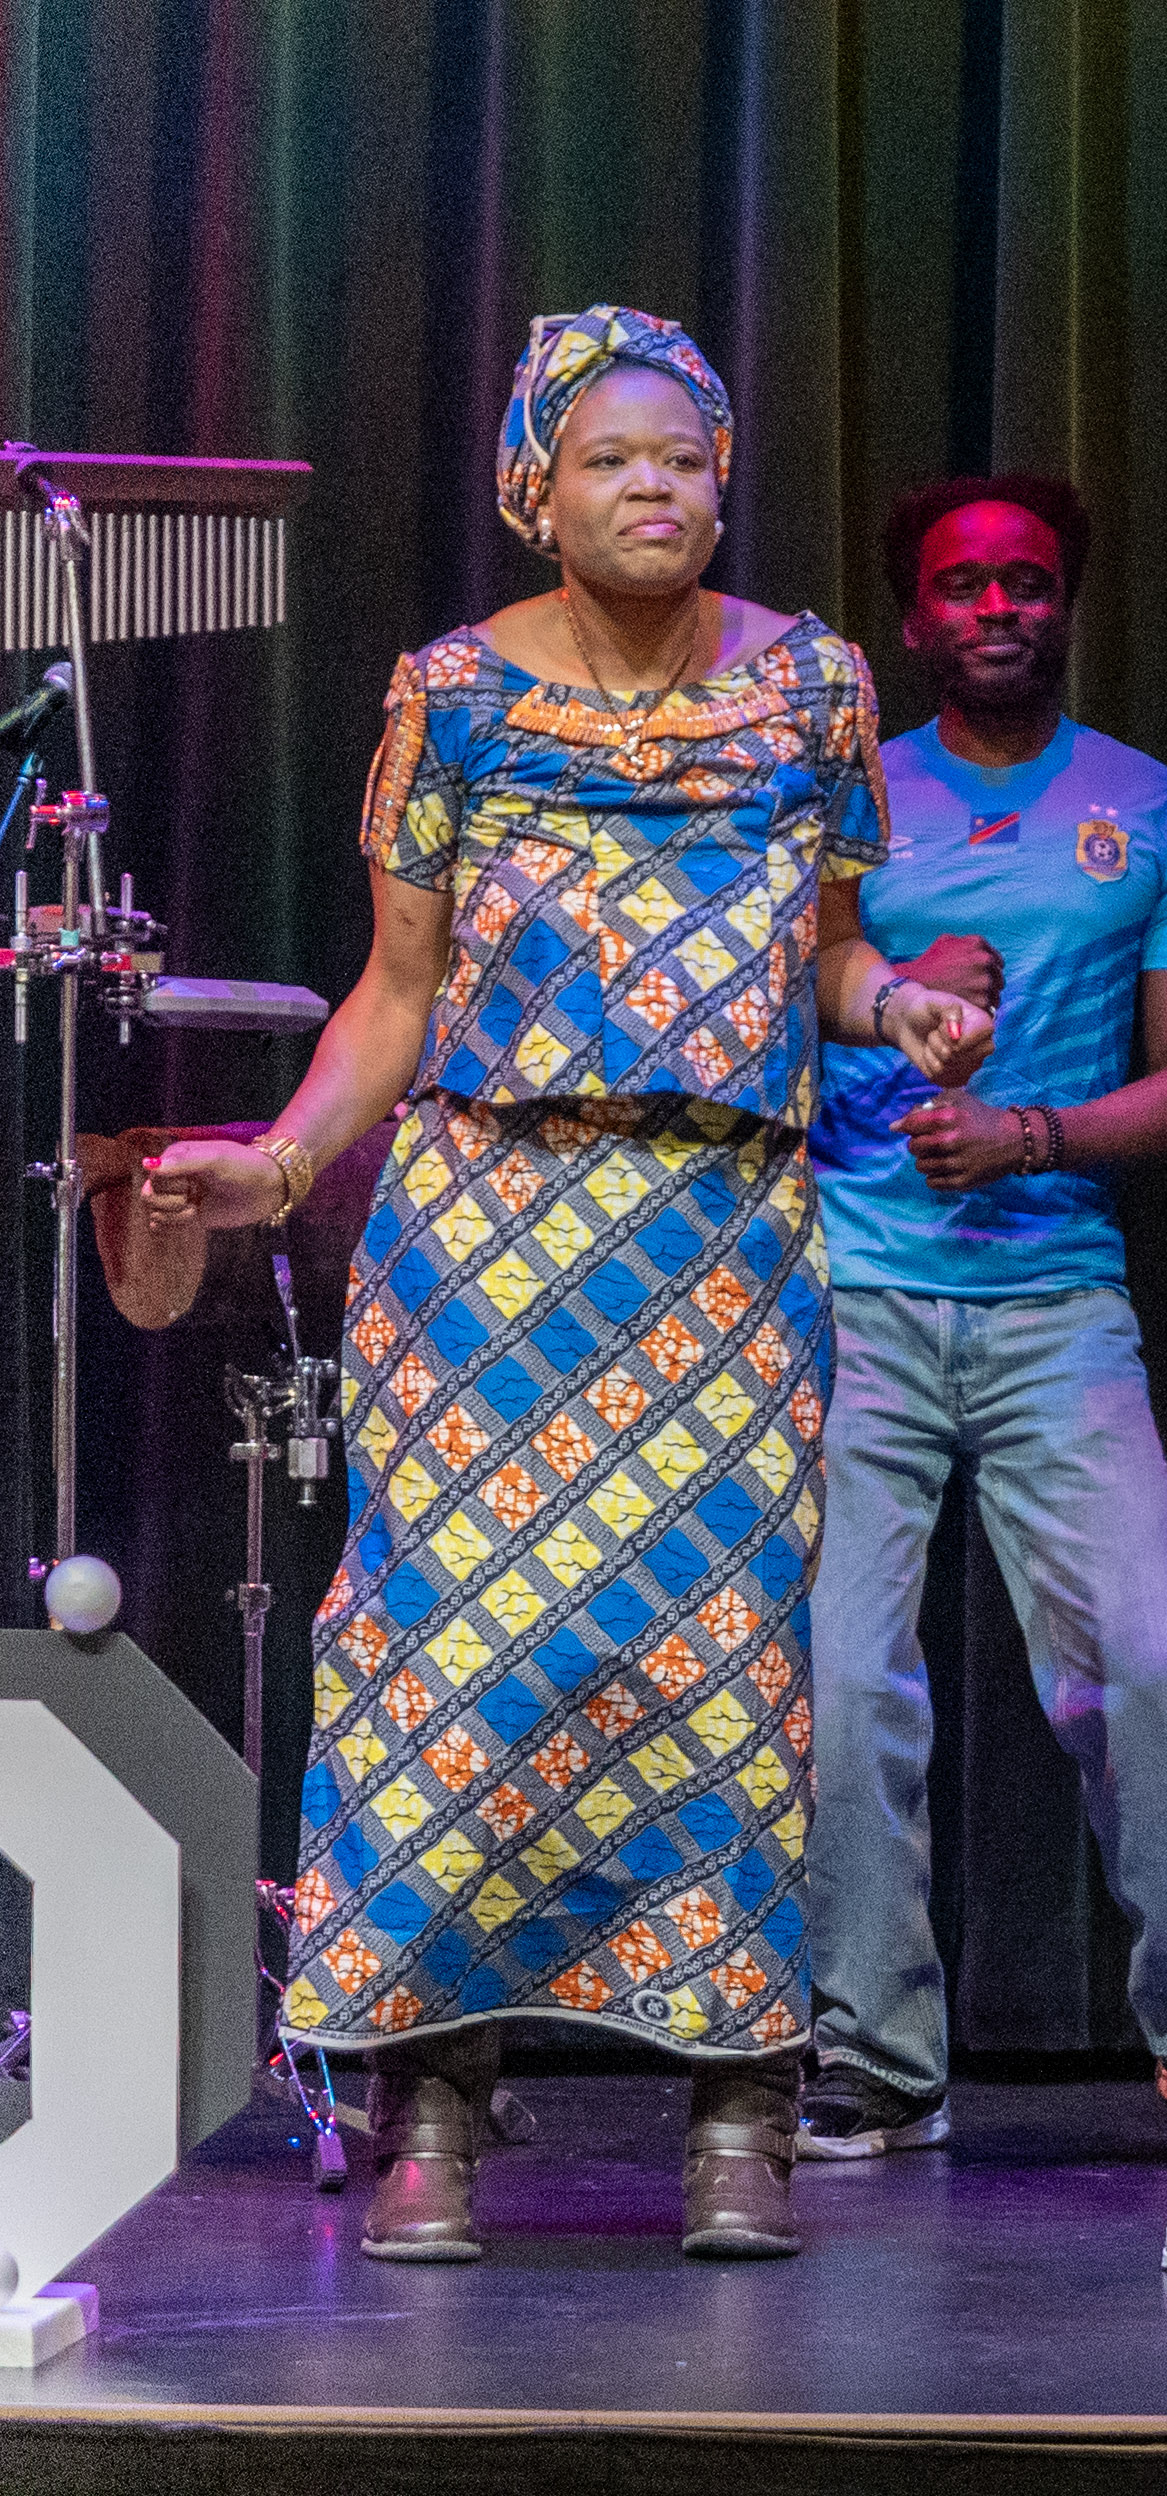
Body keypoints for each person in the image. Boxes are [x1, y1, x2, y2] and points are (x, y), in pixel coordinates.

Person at [142, 307, 989, 2262]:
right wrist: (283, 1162)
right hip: (486, 1245)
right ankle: (433, 2104)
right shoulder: (451, 695)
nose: (654, 489)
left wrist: (901, 1010)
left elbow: (831, 953)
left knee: (719, 1673)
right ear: (540, 487)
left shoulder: (815, 689)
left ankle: (737, 2110)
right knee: (457, 1671)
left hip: (718, 1243)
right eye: (612, 460)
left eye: (684, 459)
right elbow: (399, 992)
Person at [793, 474, 1167, 2159]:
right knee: (842, 1683)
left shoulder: (1162, 814)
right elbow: (765, 1007)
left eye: (1029, 583)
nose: (998, 608)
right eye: (963, 586)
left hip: (1057, 1298)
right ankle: (876, 2055)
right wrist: (900, 1003)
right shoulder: (846, 797)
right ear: (912, 619)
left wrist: (1030, 1135)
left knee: (1147, 1663)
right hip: (854, 1290)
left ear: (1067, 605)